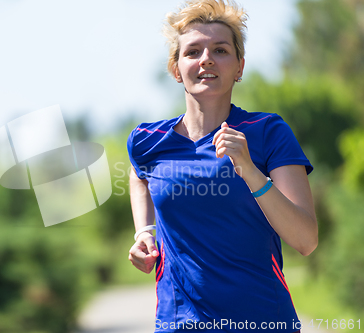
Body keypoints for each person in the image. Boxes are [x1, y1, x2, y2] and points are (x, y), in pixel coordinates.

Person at [126, 0, 318, 332]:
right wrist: (144, 231)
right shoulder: (147, 140)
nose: (206, 59)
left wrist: (250, 170)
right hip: (178, 322)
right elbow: (138, 174)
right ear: (175, 69)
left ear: (239, 67)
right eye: (193, 52)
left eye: (220, 50)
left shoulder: (267, 132)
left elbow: (306, 240)